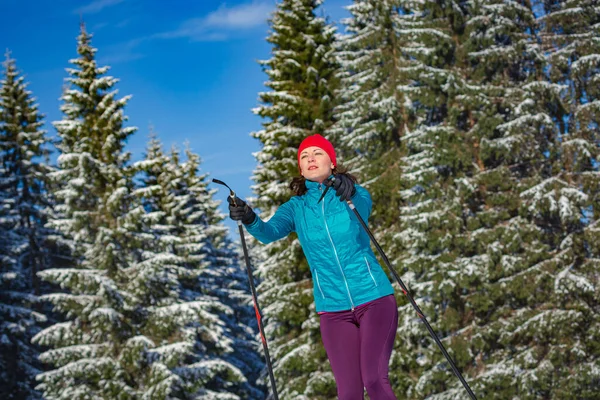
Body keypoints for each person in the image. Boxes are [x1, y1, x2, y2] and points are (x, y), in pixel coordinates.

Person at [228, 134, 398, 400]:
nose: (310, 159)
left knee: (374, 378)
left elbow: (364, 206)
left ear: (332, 162)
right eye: (305, 157)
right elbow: (269, 232)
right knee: (349, 392)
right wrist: (249, 218)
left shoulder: (353, 195)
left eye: (317, 153)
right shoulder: (296, 208)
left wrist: (349, 190)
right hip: (333, 309)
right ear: (301, 169)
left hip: (374, 298)